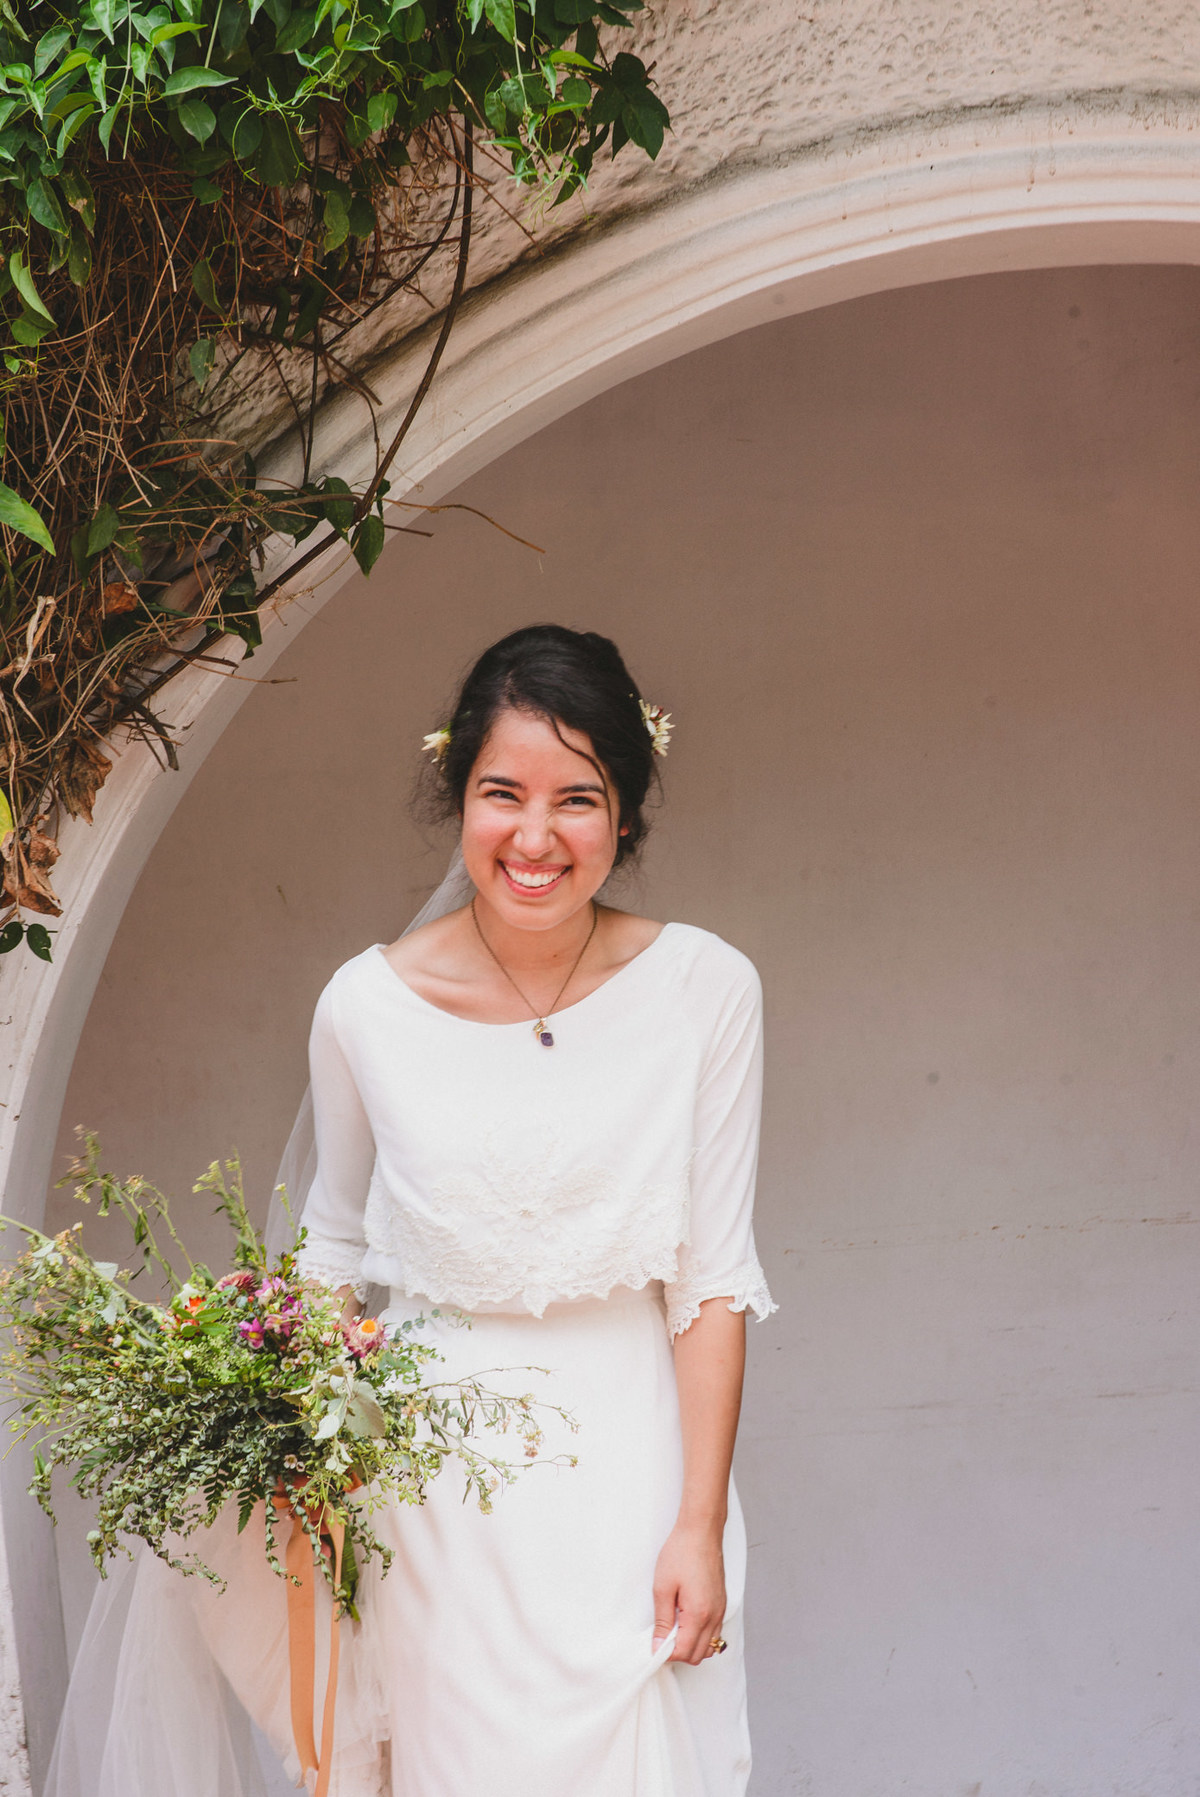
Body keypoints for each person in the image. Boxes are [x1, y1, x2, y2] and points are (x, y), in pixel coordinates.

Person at [45, 623, 774, 1797]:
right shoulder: (366, 1006)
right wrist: (285, 1445)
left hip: (639, 1483)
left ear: (626, 813)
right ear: (458, 795)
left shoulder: (707, 990)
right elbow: (332, 1241)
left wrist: (696, 1525)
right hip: (433, 1493)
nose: (535, 838)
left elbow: (715, 1279)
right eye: (503, 794)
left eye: (577, 799)